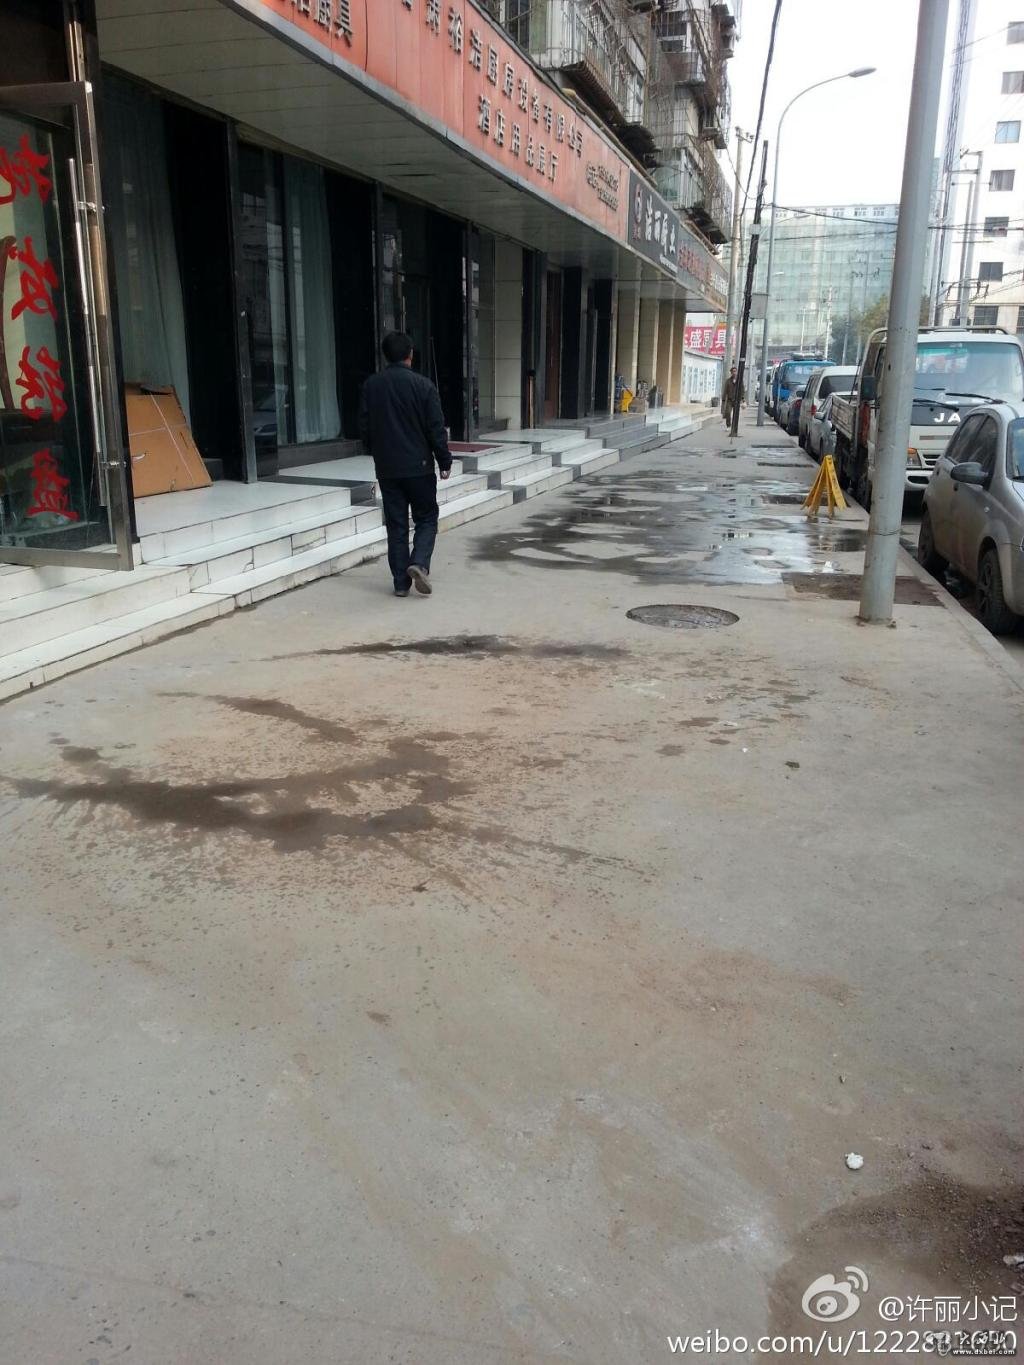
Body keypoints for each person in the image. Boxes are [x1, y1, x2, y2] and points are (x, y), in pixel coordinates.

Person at [359, 331, 453, 597]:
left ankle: (401, 583)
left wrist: (376, 452)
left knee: (396, 525)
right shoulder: (423, 386)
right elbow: (436, 428)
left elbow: (364, 426)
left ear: (385, 355)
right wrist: (444, 460)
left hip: (388, 468)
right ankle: (419, 563)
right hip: (419, 467)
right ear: (410, 354)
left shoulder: (371, 386)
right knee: (426, 518)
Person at [721, 365, 739, 429]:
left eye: (735, 371)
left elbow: (742, 389)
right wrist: (723, 399)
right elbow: (725, 390)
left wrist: (742, 399)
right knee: (728, 412)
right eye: (733, 371)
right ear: (731, 372)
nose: (734, 373)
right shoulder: (728, 381)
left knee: (736, 414)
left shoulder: (739, 381)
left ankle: (735, 426)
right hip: (729, 400)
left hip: (736, 400)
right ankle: (728, 425)